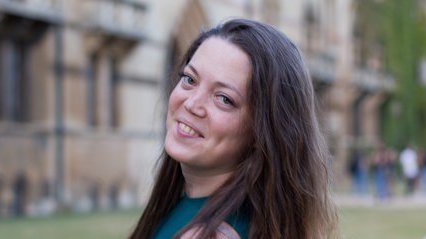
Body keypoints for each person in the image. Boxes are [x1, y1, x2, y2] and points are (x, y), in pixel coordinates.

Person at [129, 18, 338, 239]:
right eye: (190, 79)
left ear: (261, 132)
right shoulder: (187, 206)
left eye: (224, 99)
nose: (191, 104)